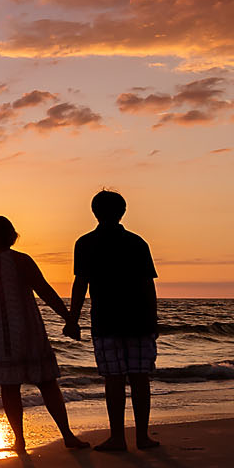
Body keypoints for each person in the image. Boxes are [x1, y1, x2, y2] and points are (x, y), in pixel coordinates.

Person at [0, 216, 89, 454]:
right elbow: (45, 291)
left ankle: (20, 441)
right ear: (13, 234)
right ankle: (66, 435)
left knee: (9, 387)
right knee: (46, 382)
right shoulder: (20, 260)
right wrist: (68, 319)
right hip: (26, 329)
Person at [68, 189, 160, 451]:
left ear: (94, 212)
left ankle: (118, 437)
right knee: (140, 378)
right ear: (123, 212)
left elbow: (80, 284)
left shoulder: (85, 243)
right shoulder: (137, 242)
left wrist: (73, 319)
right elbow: (148, 285)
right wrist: (153, 319)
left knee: (114, 379)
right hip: (139, 318)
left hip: (106, 320)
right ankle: (142, 437)